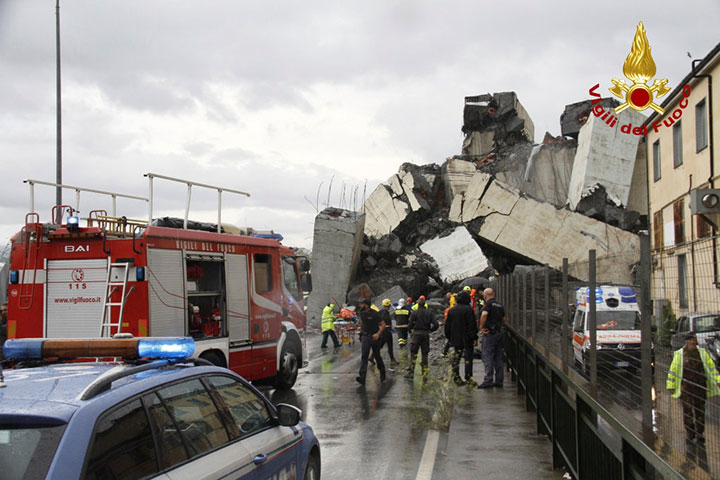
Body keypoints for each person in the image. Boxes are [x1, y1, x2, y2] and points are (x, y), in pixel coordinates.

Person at [667, 331, 720, 469]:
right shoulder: (679, 354)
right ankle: (690, 434)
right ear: (686, 341)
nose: (692, 342)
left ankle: (700, 434)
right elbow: (673, 370)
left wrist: (718, 380)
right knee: (687, 411)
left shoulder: (703, 353)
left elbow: (712, 368)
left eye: (694, 340)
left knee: (700, 411)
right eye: (690, 340)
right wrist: (671, 385)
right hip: (686, 388)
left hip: (700, 387)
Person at [445, 291, 478, 386]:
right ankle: (468, 378)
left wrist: (449, 337)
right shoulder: (469, 309)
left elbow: (447, 326)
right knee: (468, 358)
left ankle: (456, 377)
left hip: (455, 338)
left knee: (456, 357)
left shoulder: (452, 310)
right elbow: (472, 325)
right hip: (467, 338)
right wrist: (474, 337)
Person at [477, 288, 507, 389]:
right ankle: (499, 380)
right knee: (498, 357)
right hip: (499, 332)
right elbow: (504, 319)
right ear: (493, 294)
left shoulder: (488, 305)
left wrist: (481, 327)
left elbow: (484, 314)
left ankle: (488, 380)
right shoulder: (500, 305)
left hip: (490, 333)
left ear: (485, 296)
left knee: (487, 356)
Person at [406, 296, 439, 379]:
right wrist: (431, 330)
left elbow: (409, 325)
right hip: (425, 334)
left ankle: (411, 373)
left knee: (413, 354)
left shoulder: (414, 313)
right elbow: (436, 324)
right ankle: (424, 374)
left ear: (417, 304)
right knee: (425, 354)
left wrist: (412, 328)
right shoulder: (430, 313)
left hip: (416, 334)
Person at [356, 299, 386, 386]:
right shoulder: (362, 313)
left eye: (362, 304)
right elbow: (362, 323)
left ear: (367, 306)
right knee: (364, 355)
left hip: (374, 337)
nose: (360, 306)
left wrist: (378, 334)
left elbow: (383, 325)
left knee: (377, 355)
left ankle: (382, 372)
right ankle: (362, 377)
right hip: (366, 336)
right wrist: (361, 334)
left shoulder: (375, 313)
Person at [370, 299, 397, 367]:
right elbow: (386, 323)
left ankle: (372, 357)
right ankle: (392, 360)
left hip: (382, 332)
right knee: (390, 346)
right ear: (388, 305)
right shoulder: (386, 313)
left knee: (379, 346)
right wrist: (390, 329)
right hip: (387, 332)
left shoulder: (380, 312)